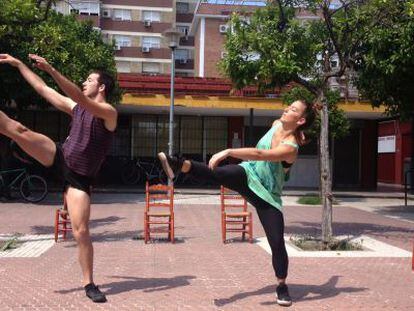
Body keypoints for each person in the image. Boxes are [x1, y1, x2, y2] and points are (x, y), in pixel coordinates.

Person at [158, 99, 316, 307]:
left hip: (267, 195)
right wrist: (307, 120)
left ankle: (281, 285)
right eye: (288, 106)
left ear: (301, 119)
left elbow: (261, 154)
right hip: (248, 174)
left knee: (276, 241)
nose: (286, 109)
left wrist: (229, 151)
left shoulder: (291, 148)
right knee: (219, 174)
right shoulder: (277, 123)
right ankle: (178, 163)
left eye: (293, 109)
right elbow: (287, 133)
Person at [0, 53, 117, 303]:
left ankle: (89, 284)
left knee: (81, 231)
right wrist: (20, 64)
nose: (85, 83)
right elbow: (42, 89)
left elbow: (76, 95)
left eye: (89, 80)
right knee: (17, 130)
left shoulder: (108, 113)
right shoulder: (77, 108)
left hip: (79, 180)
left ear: (102, 87)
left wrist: (51, 69)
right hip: (59, 157)